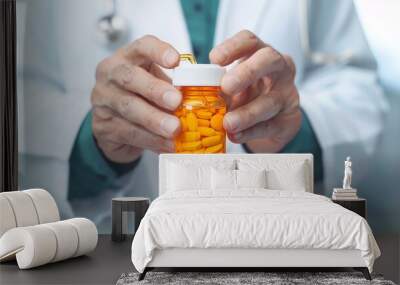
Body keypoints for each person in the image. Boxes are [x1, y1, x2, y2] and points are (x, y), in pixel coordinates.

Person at [17, 0, 387, 231]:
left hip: (269, 240)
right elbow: (19, 100)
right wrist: (94, 141)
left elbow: (358, 91)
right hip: (109, 246)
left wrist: (293, 135)